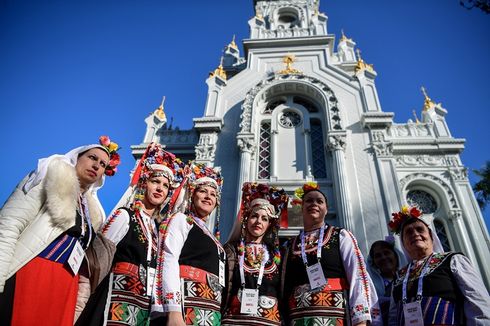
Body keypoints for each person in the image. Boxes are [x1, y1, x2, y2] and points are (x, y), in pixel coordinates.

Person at [0, 135, 120, 325]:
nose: (97, 166)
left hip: (65, 285)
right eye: (92, 158)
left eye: (103, 164)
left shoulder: (91, 211)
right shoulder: (47, 177)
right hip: (34, 271)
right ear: (77, 157)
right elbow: (9, 224)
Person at [76, 143, 185, 325]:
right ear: (144, 183)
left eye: (165, 186)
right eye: (155, 181)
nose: (160, 188)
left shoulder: (159, 230)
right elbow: (96, 261)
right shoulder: (125, 216)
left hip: (142, 309)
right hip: (112, 302)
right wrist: (80, 303)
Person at [282, 182, 381, 326]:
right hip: (299, 318)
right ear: (301, 207)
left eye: (319, 201)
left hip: (336, 317)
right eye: (309, 200)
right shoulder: (290, 245)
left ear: (326, 209)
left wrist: (360, 320)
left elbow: (357, 276)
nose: (314, 204)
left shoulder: (340, 235)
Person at [388, 205, 490, 325]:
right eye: (408, 232)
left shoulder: (453, 260)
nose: (415, 234)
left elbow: (477, 302)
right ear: (403, 243)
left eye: (420, 229)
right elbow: (393, 317)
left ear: (431, 237)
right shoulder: (399, 276)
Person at [151, 162, 224, 325]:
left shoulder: (209, 234)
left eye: (213, 194)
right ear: (192, 195)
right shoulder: (181, 220)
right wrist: (174, 310)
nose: (208, 197)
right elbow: (168, 260)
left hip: (209, 309)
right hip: (187, 305)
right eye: (203, 191)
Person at [221, 182, 289, 326]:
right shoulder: (231, 251)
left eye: (264, 219)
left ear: (269, 224)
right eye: (254, 216)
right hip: (234, 322)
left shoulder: (278, 255)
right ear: (246, 219)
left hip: (269, 322)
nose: (258, 222)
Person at [367, 237, 405, 326]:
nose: (383, 257)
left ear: (395, 255)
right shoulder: (371, 286)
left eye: (386, 253)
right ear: (374, 262)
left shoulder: (408, 278)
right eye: (378, 256)